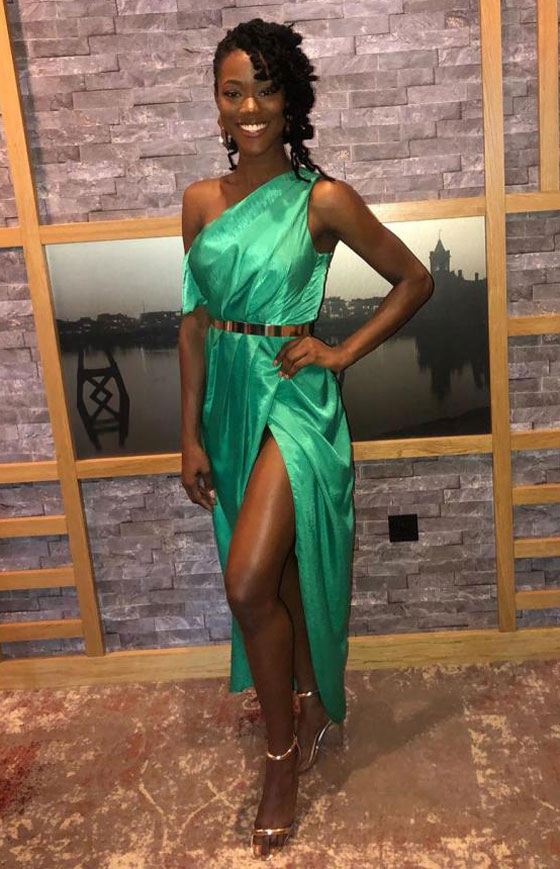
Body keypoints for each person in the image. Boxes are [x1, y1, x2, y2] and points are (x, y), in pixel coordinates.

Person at [178, 18, 434, 861]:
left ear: (292, 100)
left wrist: (342, 351)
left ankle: (280, 757)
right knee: (274, 575)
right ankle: (309, 700)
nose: (250, 107)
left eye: (266, 89)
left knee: (248, 580)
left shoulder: (322, 198)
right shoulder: (200, 202)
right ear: (218, 104)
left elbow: (415, 279)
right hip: (227, 396)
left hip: (293, 395)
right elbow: (193, 322)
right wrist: (188, 434)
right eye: (234, 92)